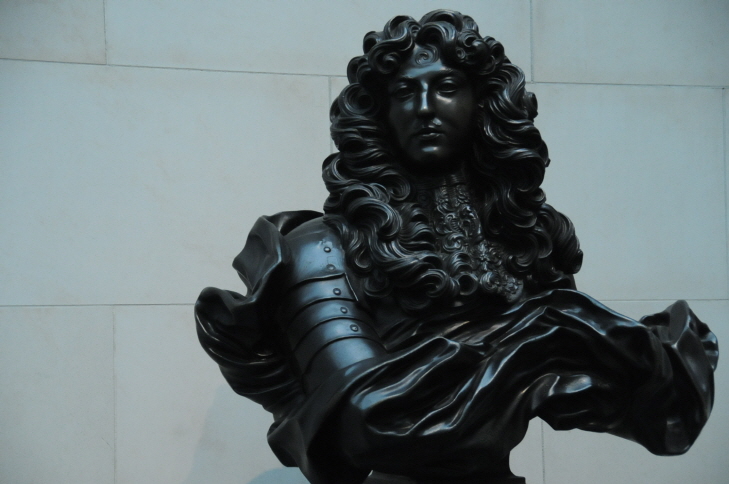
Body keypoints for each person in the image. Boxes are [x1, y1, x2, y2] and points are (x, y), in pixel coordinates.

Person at [196, 10, 717, 484]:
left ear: (483, 101)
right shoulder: (321, 249)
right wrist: (550, 331)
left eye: (446, 86)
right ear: (379, 112)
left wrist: (652, 363)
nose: (425, 108)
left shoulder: (527, 240)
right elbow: (368, 422)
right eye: (404, 92)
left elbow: (655, 419)